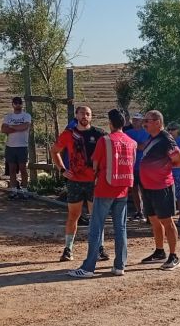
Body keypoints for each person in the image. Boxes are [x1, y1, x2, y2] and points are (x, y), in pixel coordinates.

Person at [68, 109, 137, 278]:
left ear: (110, 123)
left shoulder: (105, 140)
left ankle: (89, 267)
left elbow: (95, 164)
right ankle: (120, 265)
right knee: (121, 228)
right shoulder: (131, 142)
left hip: (105, 187)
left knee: (96, 226)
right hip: (122, 188)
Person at [52, 105, 106, 263]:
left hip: (94, 182)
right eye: (82, 113)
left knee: (96, 217)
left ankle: (100, 248)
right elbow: (54, 150)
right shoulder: (68, 134)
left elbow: (108, 153)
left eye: (88, 114)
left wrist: (103, 173)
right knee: (73, 216)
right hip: (75, 181)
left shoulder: (100, 134)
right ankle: (68, 249)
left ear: (91, 116)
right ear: (76, 115)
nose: (85, 116)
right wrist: (62, 169)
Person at [138, 110, 180, 270]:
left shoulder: (166, 139)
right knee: (154, 220)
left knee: (167, 221)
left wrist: (165, 168)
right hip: (148, 187)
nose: (144, 123)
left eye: (147, 120)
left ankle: (174, 256)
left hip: (162, 187)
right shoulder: (151, 138)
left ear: (158, 122)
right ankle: (159, 251)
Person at [1, 96, 32, 196]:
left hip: (22, 146)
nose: (17, 104)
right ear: (12, 104)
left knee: (23, 168)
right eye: (15, 103)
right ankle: (14, 189)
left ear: (22, 104)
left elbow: (25, 126)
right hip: (10, 146)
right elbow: (3, 129)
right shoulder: (8, 116)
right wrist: (18, 128)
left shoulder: (26, 115)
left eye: (19, 103)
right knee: (12, 169)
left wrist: (11, 126)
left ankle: (24, 189)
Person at [124, 112, 150, 221]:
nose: (135, 121)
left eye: (138, 120)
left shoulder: (147, 133)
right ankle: (139, 211)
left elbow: (143, 147)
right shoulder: (127, 133)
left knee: (145, 189)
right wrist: (138, 145)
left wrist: (133, 145)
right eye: (134, 119)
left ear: (142, 121)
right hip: (131, 166)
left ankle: (148, 212)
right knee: (134, 189)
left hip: (144, 166)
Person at [167, 122, 180, 228]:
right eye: (169, 129)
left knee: (179, 195)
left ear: (178, 130)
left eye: (173, 129)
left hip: (177, 172)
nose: (170, 131)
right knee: (167, 195)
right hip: (168, 171)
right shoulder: (167, 140)